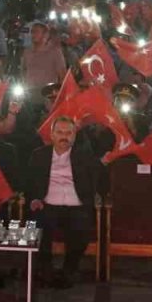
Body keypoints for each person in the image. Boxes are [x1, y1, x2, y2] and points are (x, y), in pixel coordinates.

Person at [27, 115, 99, 288]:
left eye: (68, 132)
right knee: (37, 226)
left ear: (74, 136)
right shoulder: (39, 155)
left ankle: (69, 270)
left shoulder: (84, 156)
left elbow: (96, 182)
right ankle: (45, 270)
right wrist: (34, 199)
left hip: (76, 204)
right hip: (48, 203)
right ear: (52, 134)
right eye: (59, 132)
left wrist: (89, 200)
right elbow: (28, 181)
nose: (64, 136)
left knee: (81, 229)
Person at [21, 22, 66, 89]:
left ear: (46, 35)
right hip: (29, 93)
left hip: (47, 94)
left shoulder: (54, 52)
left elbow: (62, 75)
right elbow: (24, 70)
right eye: (32, 32)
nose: (33, 34)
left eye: (37, 32)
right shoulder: (27, 52)